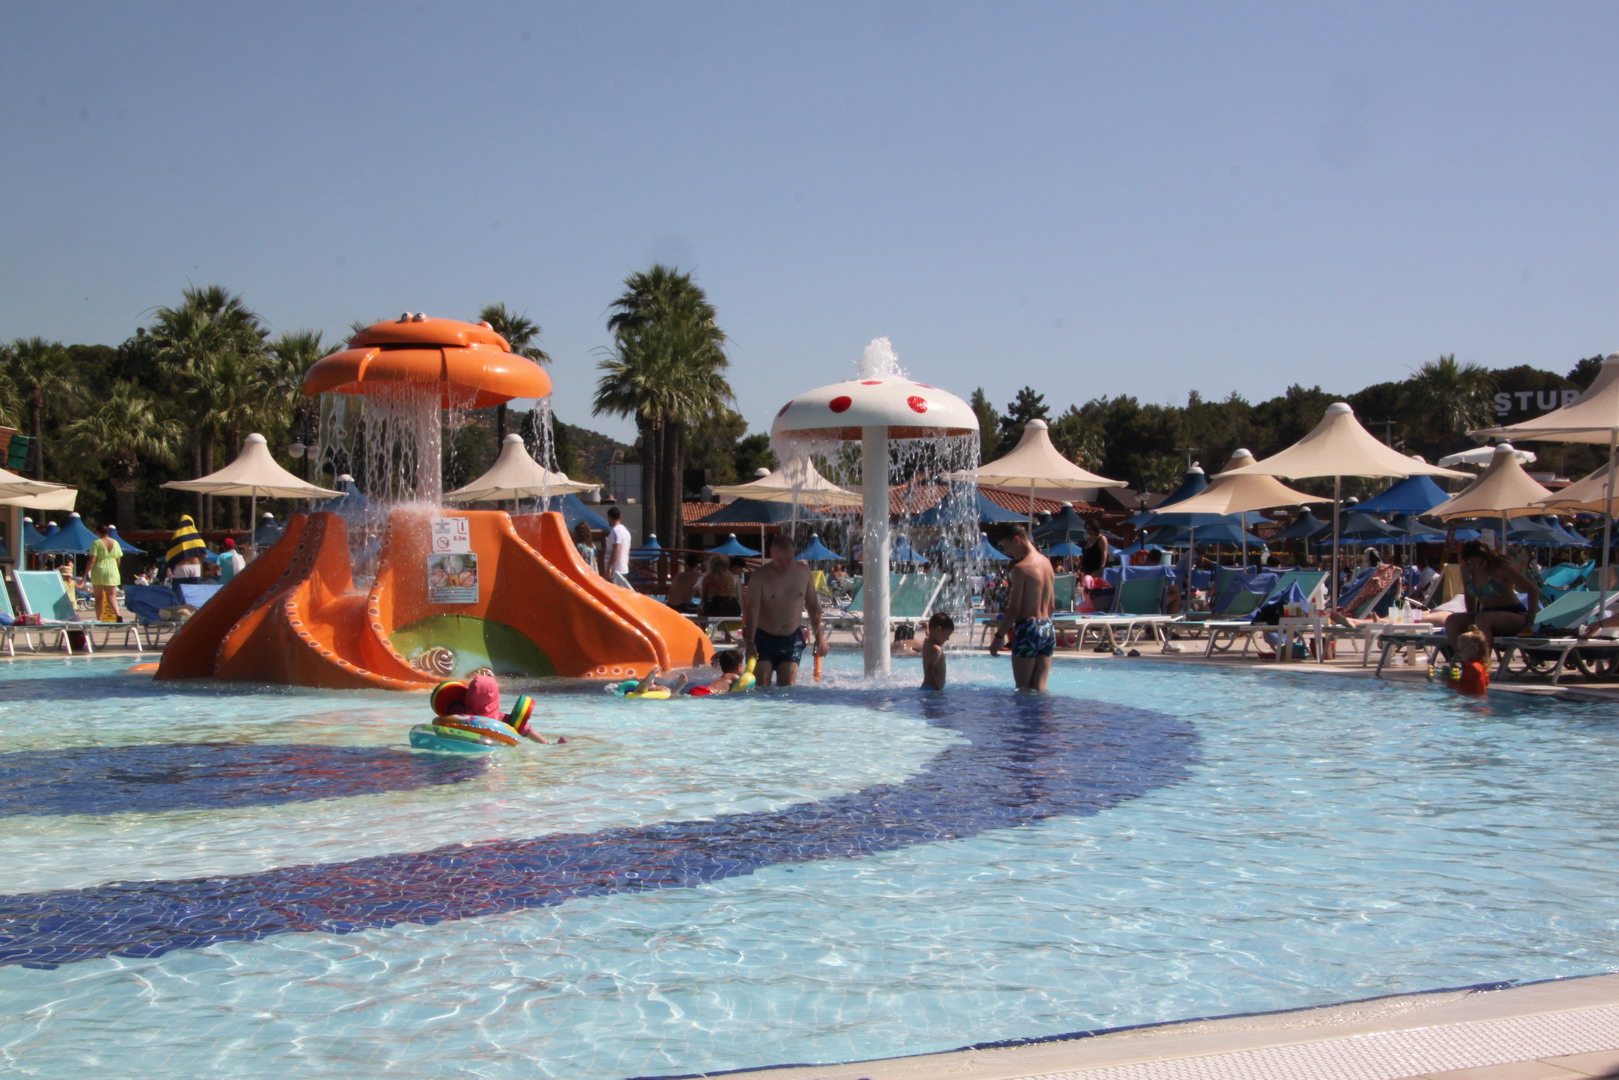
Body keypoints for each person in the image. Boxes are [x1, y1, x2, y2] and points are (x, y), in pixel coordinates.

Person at [743, 533, 826, 687]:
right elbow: (752, 611)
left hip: (791, 639)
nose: (784, 564)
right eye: (779, 560)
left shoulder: (803, 572)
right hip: (763, 638)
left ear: (794, 553)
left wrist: (819, 637)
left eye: (789, 559)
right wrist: (750, 642)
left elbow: (813, 607)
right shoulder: (760, 576)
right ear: (771, 554)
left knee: (786, 688)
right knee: (762, 686)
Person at [988, 523, 1056, 691]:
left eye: (1007, 546)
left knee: (1023, 689)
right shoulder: (1047, 563)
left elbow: (1014, 609)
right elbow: (1052, 605)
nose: (1007, 551)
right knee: (1040, 688)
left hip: (1028, 628)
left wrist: (998, 637)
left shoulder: (1021, 568)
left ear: (1017, 539)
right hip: (1047, 627)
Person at [1446, 539, 1538, 652]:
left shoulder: (1501, 568)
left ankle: (1483, 660)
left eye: (1481, 563)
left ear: (1487, 558)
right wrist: (1470, 616)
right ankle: (1463, 658)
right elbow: (1469, 596)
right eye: (1473, 564)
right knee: (1452, 620)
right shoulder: (1466, 570)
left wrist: (1530, 623)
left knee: (1483, 618)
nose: (1477, 567)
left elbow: (1533, 590)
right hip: (1485, 615)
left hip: (1514, 615)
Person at [462, 668, 564, 743]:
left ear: (469, 694)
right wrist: (547, 743)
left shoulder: (460, 712)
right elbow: (528, 730)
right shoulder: (502, 719)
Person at [698, 553, 742, 640]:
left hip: (718, 608)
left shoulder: (708, 578)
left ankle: (703, 634)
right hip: (733, 608)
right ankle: (727, 636)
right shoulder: (731, 577)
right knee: (725, 605)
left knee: (700, 607)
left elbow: (704, 598)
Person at [87, 523, 122, 622]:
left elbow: (92, 559)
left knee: (99, 598)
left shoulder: (96, 543)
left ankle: (99, 619)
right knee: (111, 596)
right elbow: (118, 559)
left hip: (99, 569)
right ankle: (118, 615)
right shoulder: (116, 542)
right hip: (113, 570)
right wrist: (116, 569)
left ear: (97, 532)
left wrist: (86, 572)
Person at [1443, 624, 1490, 695]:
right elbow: (1486, 682)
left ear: (1475, 650)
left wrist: (1449, 681)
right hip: (1480, 697)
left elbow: (1465, 687)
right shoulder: (1482, 665)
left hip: (1472, 698)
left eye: (1461, 649)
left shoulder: (1472, 666)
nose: (1459, 652)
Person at [920, 611, 953, 690]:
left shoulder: (927, 640)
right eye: (947, 635)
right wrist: (938, 690)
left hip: (926, 687)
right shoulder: (936, 649)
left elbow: (928, 633)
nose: (948, 638)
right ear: (938, 631)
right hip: (932, 690)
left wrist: (927, 627)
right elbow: (930, 672)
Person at [167, 514, 206, 581]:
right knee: (194, 587)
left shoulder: (176, 537)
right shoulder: (196, 536)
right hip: (195, 567)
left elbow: (170, 555)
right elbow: (204, 556)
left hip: (181, 567)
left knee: (179, 587)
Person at [603, 506, 632, 588]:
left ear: (609, 517)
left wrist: (609, 567)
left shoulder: (615, 531)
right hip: (623, 568)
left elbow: (616, 549)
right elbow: (627, 551)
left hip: (616, 571)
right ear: (620, 516)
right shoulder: (626, 532)